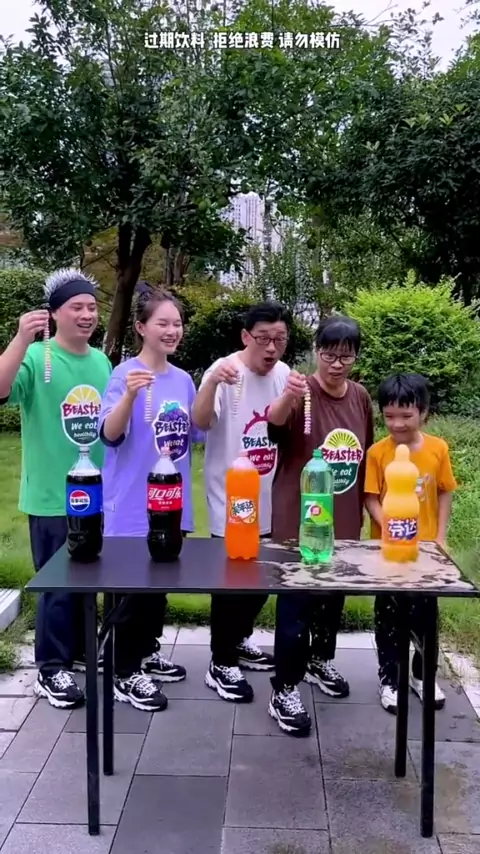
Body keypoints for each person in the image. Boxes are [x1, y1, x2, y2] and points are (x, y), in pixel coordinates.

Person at [0, 268, 111, 709]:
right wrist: (20, 338)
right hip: (51, 495)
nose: (87, 315)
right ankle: (50, 668)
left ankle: (80, 651)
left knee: (88, 578)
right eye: (76, 307)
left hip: (96, 493)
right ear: (54, 313)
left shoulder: (101, 362)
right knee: (57, 584)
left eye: (92, 307)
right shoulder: (36, 357)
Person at [266, 315, 374, 735]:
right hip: (299, 520)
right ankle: (284, 688)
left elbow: (364, 454)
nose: (336, 364)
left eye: (346, 356)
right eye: (329, 355)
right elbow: (274, 427)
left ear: (355, 357)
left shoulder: (360, 396)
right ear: (316, 352)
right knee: (296, 605)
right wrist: (286, 398)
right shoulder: (300, 391)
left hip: (342, 517)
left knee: (331, 599)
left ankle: (319, 660)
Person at [99, 285, 200, 712]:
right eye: (163, 323)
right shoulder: (123, 375)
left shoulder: (183, 380)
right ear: (141, 327)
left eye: (177, 323)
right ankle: (122, 671)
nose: (172, 330)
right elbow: (109, 434)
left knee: (158, 587)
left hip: (171, 503)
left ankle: (145, 651)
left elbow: (196, 434)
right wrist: (129, 396)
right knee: (130, 592)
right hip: (130, 504)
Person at [192, 301, 291, 703]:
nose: (272, 348)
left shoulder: (284, 374)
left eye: (280, 339)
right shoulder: (224, 370)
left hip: (269, 495)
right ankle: (221, 662)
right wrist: (212, 383)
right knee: (232, 584)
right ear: (246, 336)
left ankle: (240, 639)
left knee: (262, 581)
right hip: (230, 497)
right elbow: (201, 422)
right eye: (263, 338)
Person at [364, 372, 456, 714]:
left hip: (426, 552)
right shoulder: (378, 453)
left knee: (426, 618)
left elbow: (444, 492)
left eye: (406, 415)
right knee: (388, 618)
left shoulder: (437, 449)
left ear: (424, 412)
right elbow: (370, 497)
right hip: (389, 552)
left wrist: (441, 537)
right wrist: (387, 522)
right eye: (389, 416)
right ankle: (389, 678)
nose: (398, 424)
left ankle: (422, 676)